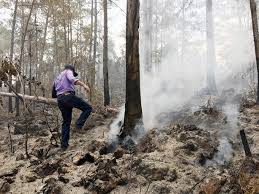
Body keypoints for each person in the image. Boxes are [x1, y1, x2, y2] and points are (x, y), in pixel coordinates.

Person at [52, 64, 92, 150]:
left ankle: (64, 145)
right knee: (88, 108)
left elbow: (53, 93)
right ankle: (78, 125)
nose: (73, 74)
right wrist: (84, 85)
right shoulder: (68, 71)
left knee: (66, 122)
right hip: (67, 96)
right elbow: (72, 79)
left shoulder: (57, 77)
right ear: (72, 70)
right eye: (73, 73)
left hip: (60, 100)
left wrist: (61, 96)